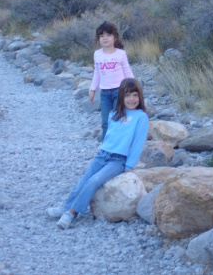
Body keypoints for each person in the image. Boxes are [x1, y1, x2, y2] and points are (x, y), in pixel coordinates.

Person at [46, 78, 149, 229]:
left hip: (118, 161)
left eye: (135, 95)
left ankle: (70, 213)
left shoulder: (141, 117)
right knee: (83, 180)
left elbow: (137, 143)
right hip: (103, 155)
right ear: (121, 97)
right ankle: (65, 207)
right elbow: (109, 138)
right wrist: (101, 153)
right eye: (127, 95)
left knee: (94, 181)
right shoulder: (114, 114)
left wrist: (129, 165)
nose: (131, 99)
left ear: (139, 96)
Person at [89, 21, 134, 140]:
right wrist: (92, 89)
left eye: (108, 35)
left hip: (119, 92)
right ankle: (106, 149)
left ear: (114, 37)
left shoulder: (121, 54)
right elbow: (97, 73)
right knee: (105, 122)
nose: (105, 38)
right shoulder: (97, 54)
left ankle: (119, 147)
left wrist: (134, 88)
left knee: (118, 119)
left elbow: (127, 71)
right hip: (104, 93)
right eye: (101, 36)